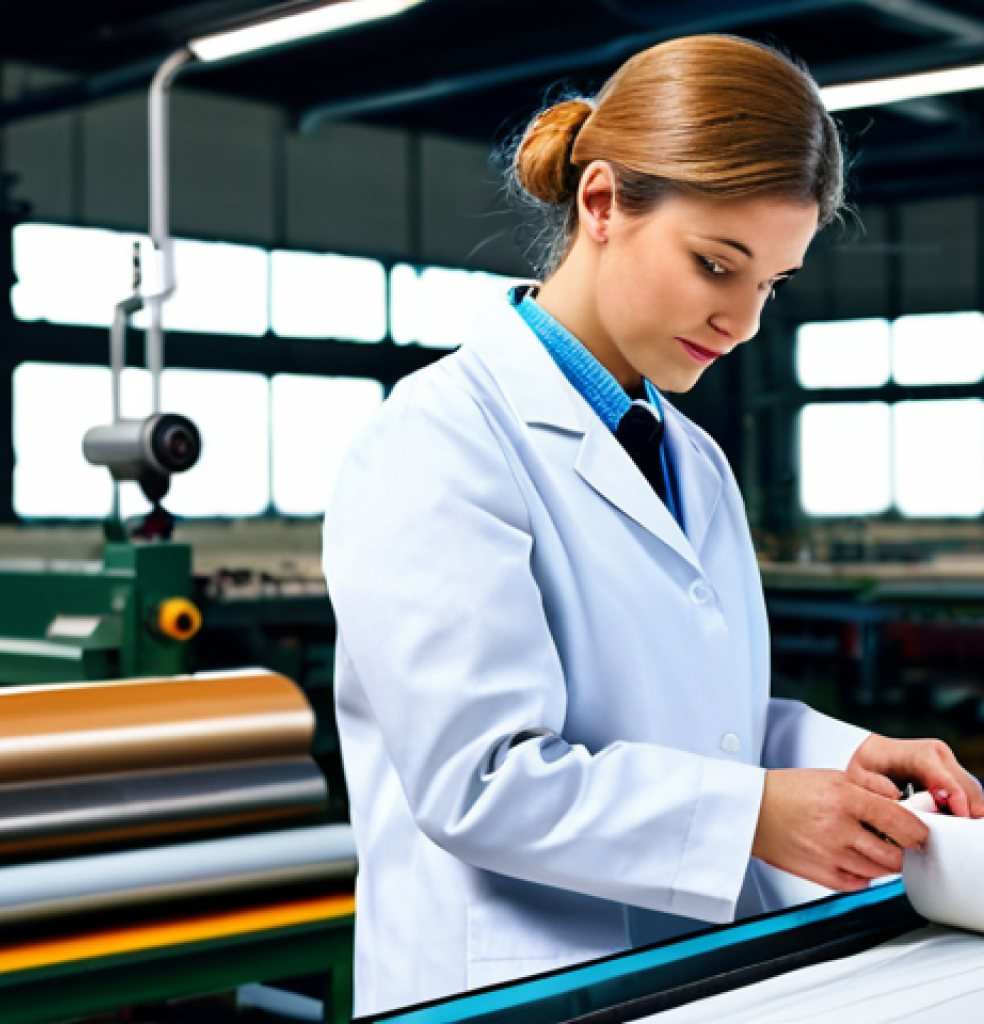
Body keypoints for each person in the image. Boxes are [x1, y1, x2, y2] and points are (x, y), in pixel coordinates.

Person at [323, 33, 984, 1017]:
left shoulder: (692, 457)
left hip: (694, 968)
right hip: (510, 982)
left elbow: (696, 718)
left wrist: (838, 758)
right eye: (716, 264)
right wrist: (753, 817)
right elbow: (480, 779)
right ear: (601, 204)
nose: (743, 321)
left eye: (770, 284)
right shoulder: (438, 439)